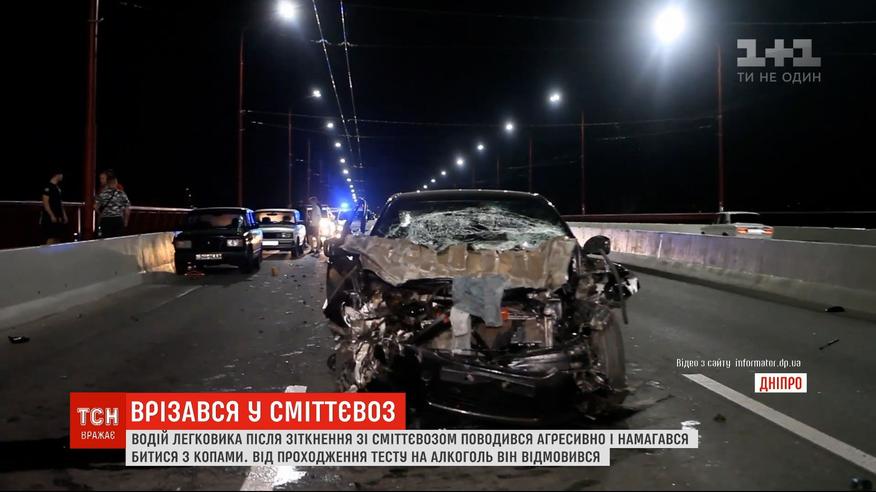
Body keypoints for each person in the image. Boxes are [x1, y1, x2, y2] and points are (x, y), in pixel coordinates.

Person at [95, 169, 131, 238]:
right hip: (118, 219)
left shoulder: (102, 193)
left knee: (106, 239)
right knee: (117, 240)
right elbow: (127, 208)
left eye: (102, 178)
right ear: (115, 182)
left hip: (105, 220)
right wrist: (125, 221)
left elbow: (96, 207)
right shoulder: (121, 192)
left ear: (107, 181)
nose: (101, 180)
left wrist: (101, 214)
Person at [40, 169, 68, 244]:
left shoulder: (57, 188)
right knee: (50, 237)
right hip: (50, 217)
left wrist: (64, 215)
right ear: (57, 175)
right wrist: (51, 215)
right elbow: (46, 203)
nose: (62, 176)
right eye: (61, 174)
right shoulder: (48, 187)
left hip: (58, 216)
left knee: (57, 237)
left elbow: (60, 203)